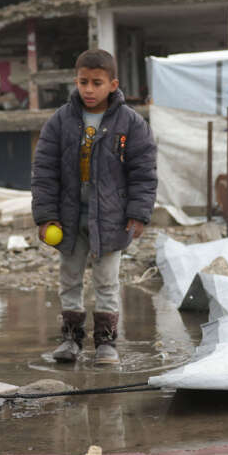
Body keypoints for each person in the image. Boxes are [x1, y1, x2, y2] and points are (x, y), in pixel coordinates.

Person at [31, 49, 158, 365]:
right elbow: (44, 172)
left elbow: (143, 172)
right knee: (70, 277)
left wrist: (138, 214)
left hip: (112, 219)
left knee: (107, 280)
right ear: (76, 81)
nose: (89, 89)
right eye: (83, 82)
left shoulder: (131, 124)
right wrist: (46, 217)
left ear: (113, 84)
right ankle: (71, 341)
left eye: (97, 83)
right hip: (69, 218)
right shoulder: (60, 121)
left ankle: (106, 344)